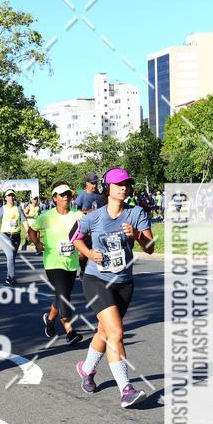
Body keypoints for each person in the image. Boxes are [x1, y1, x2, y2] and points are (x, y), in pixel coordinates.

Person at [72, 168, 154, 409]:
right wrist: (89, 254)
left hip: (124, 282)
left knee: (105, 332)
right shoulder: (93, 216)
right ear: (108, 188)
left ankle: (86, 369)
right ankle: (126, 390)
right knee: (116, 332)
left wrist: (137, 235)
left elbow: (150, 247)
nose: (124, 188)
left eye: (127, 184)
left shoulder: (137, 213)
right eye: (119, 184)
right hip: (96, 280)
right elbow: (75, 238)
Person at [29, 183, 83, 345]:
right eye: (62, 194)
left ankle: (50, 319)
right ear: (54, 198)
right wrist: (37, 243)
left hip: (71, 262)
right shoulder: (47, 216)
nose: (66, 197)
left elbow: (87, 231)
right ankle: (70, 331)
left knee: (62, 295)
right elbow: (32, 230)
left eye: (68, 194)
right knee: (64, 296)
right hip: (53, 262)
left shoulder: (77, 215)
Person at [0, 190, 30, 285]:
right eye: (9, 195)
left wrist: (28, 232)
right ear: (5, 198)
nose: (11, 197)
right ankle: (11, 278)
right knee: (10, 256)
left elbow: (24, 220)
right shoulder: (2, 209)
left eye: (12, 195)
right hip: (5, 236)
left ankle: (9, 276)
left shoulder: (18, 208)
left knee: (12, 258)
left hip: (16, 236)